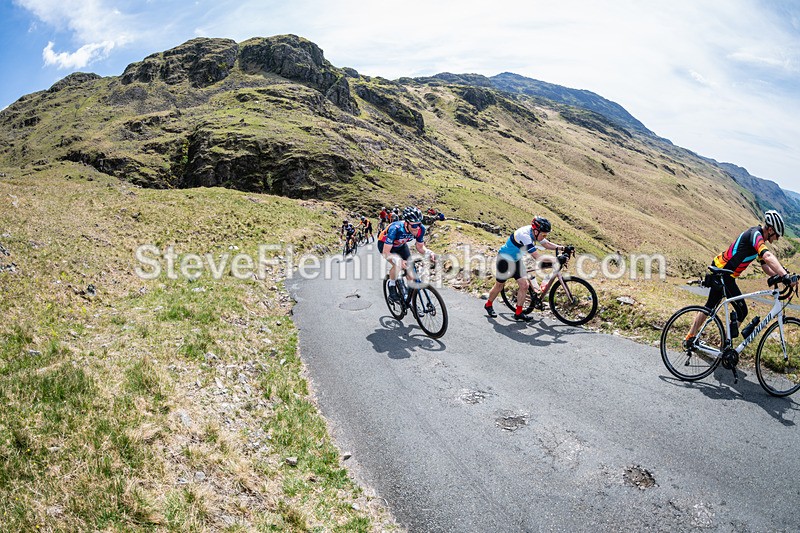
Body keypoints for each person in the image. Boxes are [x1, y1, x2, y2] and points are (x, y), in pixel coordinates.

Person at [684, 210, 795, 347]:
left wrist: (781, 275)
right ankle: (724, 347)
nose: (777, 238)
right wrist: (785, 275)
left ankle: (691, 338)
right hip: (724, 274)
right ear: (770, 229)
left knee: (710, 306)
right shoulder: (756, 235)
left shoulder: (758, 238)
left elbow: (765, 266)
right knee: (741, 311)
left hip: (723, 272)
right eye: (777, 234)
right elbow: (767, 256)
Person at [483, 216, 567, 322]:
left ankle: (518, 313)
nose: (544, 237)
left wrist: (562, 248)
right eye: (544, 234)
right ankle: (488, 304)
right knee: (499, 286)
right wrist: (556, 259)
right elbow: (537, 257)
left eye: (546, 235)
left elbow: (546, 244)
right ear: (536, 231)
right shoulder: (525, 235)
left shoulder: (535, 232)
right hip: (504, 260)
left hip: (516, 260)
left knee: (524, 285)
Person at [378, 206, 436, 302]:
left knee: (411, 272)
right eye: (414, 226)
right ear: (406, 223)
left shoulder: (420, 229)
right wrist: (398, 260)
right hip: (385, 246)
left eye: (419, 224)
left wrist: (429, 252)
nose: (417, 228)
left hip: (401, 245)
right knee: (398, 265)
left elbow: (420, 247)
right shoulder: (395, 228)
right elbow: (386, 252)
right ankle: (392, 285)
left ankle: (409, 299)